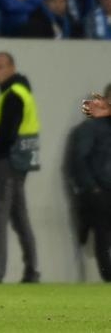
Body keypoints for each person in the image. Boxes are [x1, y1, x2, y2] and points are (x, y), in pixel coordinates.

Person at [0, 52, 41, 283]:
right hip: (18, 163)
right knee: (19, 217)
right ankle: (32, 270)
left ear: (12, 67)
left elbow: (5, 133)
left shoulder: (12, 95)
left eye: (1, 67)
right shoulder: (20, 92)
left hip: (6, 162)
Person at [69, 84, 111, 282]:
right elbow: (79, 159)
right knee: (102, 234)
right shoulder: (91, 128)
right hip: (100, 191)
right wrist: (91, 189)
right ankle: (107, 276)